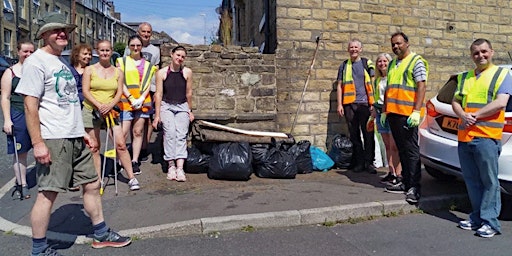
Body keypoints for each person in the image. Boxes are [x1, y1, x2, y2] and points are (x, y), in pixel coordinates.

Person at [14, 12, 131, 256]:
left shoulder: (61, 62)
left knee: (92, 184)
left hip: (76, 137)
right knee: (48, 193)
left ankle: (100, 234)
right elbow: (30, 106)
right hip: (54, 139)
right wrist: (38, 143)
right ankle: (39, 249)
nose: (61, 34)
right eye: (56, 30)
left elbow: (68, 102)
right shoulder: (36, 62)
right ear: (44, 35)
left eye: (65, 31)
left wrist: (82, 133)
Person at [452, 38, 512, 238]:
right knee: (471, 180)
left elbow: (501, 102)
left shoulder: (502, 74)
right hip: (466, 136)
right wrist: (462, 115)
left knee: (489, 182)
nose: (481, 56)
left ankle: (490, 223)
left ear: (492, 52)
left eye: (484, 51)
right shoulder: (465, 77)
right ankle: (476, 217)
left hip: (486, 137)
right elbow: (455, 101)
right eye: (476, 53)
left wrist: (474, 116)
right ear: (472, 56)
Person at [82, 40, 140, 191]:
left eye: (107, 50)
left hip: (111, 110)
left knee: (120, 144)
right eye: (102, 50)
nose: (105, 53)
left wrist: (109, 105)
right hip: (92, 110)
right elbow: (86, 91)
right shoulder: (89, 70)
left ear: (111, 51)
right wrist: (99, 105)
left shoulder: (118, 72)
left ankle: (131, 177)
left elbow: (119, 91)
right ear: (97, 52)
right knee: (94, 147)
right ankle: (98, 178)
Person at [380, 32, 428, 204]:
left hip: (408, 114)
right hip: (393, 113)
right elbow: (389, 89)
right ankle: (405, 182)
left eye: (399, 43)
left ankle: (414, 187)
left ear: (407, 43)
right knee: (401, 150)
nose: (396, 47)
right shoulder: (393, 63)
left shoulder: (416, 62)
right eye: (393, 44)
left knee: (411, 151)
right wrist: (385, 111)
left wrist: (416, 111)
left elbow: (421, 86)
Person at [153, 46, 194, 182]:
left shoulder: (187, 72)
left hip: (182, 105)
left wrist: (189, 110)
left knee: (181, 135)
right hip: (167, 105)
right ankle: (171, 165)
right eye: (178, 55)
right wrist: (157, 115)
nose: (179, 58)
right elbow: (158, 94)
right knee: (170, 134)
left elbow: (189, 93)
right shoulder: (162, 73)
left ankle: (180, 167)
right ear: (171, 55)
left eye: (182, 56)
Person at [118, 35, 157, 175]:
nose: (135, 48)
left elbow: (147, 84)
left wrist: (140, 98)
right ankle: (120, 160)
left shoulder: (147, 65)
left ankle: (134, 160)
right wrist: (130, 97)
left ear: (142, 47)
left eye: (138, 45)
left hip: (142, 102)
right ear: (129, 46)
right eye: (133, 45)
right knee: (123, 133)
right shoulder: (121, 62)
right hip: (125, 102)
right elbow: (120, 82)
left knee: (138, 132)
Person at [1, 41, 35, 200]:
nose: (28, 55)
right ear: (18, 52)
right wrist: (7, 120)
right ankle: (22, 184)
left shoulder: (36, 71)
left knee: (43, 149)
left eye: (31, 52)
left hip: (36, 114)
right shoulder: (10, 72)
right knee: (20, 152)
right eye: (25, 52)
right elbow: (5, 97)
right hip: (18, 114)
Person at [336, 39, 376, 173]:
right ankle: (359, 163)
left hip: (365, 104)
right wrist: (340, 104)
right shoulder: (343, 65)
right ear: (348, 50)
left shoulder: (366, 63)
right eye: (351, 47)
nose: (353, 49)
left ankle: (369, 163)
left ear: (360, 49)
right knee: (354, 135)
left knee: (368, 133)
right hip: (349, 104)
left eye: (356, 47)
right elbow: (340, 86)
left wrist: (373, 103)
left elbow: (373, 82)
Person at [124, 22, 161, 163]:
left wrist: (156, 87)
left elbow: (156, 69)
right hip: (132, 89)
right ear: (138, 32)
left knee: (147, 120)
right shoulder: (130, 48)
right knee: (133, 120)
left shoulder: (155, 50)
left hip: (149, 88)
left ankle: (144, 147)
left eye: (148, 32)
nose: (146, 34)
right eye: (143, 31)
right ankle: (135, 149)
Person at [371, 53, 402, 185]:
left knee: (395, 146)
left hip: (391, 112)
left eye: (385, 61)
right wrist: (372, 114)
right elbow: (376, 97)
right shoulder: (377, 80)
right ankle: (391, 172)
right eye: (379, 61)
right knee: (387, 145)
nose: (382, 64)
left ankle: (399, 174)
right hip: (379, 111)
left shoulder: (392, 77)